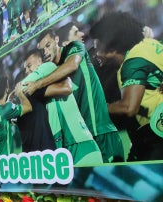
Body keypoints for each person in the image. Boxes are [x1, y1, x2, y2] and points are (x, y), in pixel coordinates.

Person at [23, 29, 124, 163]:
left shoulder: (74, 47)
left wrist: (37, 84)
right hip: (83, 136)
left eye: (48, 46)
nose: (46, 52)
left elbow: (72, 65)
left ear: (56, 40)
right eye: (42, 51)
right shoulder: (51, 70)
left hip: (100, 130)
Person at [90, 11, 163, 161]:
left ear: (113, 48)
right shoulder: (150, 43)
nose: (96, 54)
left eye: (98, 48)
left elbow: (129, 107)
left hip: (155, 133)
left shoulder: (132, 63)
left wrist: (97, 109)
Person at [21, 49, 103, 165]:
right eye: (25, 69)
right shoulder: (44, 88)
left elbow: (20, 88)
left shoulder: (46, 67)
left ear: (40, 62)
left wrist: (15, 96)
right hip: (68, 149)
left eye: (29, 66)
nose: (27, 71)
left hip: (78, 146)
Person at [0, 76, 32, 156]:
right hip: (5, 160)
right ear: (7, 89)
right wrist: (19, 93)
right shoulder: (7, 107)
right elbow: (28, 107)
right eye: (8, 86)